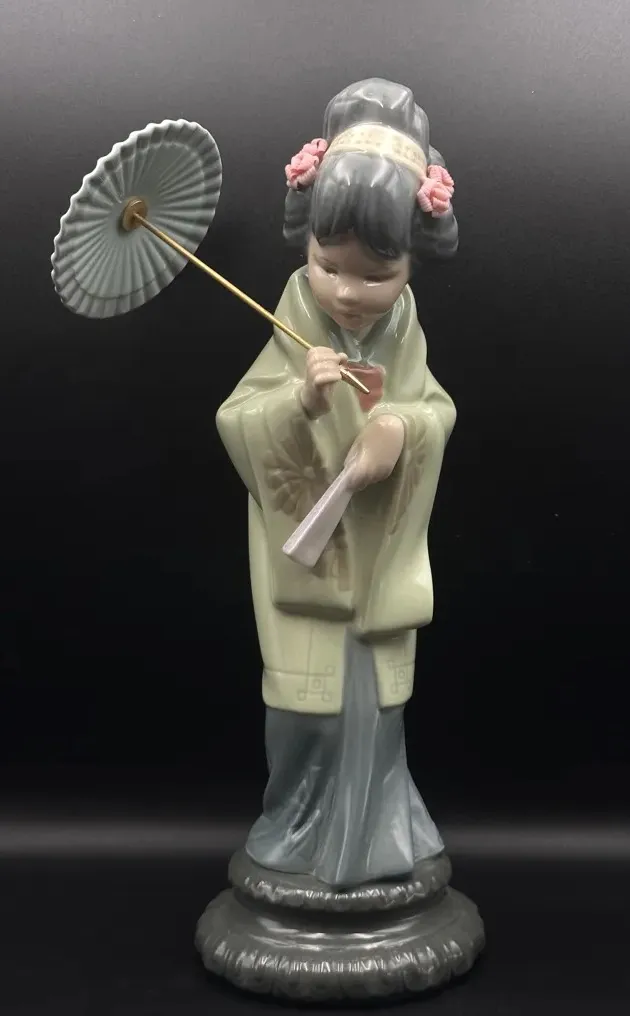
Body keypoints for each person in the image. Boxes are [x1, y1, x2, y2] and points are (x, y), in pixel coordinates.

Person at [216, 78, 458, 888]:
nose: (348, 292)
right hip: (309, 561)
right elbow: (237, 420)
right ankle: (296, 827)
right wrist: (301, 401)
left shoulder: (405, 330)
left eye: (376, 274)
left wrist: (402, 431)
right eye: (328, 266)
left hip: (378, 563)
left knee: (377, 709)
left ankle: (381, 829)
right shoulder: (290, 320)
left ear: (411, 264)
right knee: (304, 712)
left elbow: (434, 409)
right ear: (306, 250)